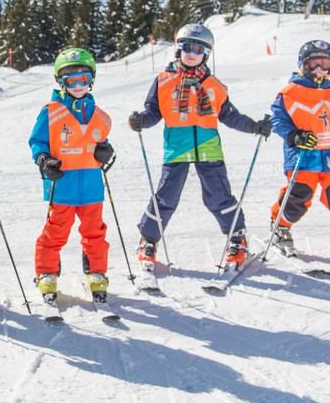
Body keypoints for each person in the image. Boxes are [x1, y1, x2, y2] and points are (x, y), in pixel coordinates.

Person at [129, 23, 272, 272]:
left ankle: (237, 239)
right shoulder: (164, 80)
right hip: (176, 148)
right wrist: (141, 120)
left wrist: (254, 127)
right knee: (166, 197)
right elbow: (153, 111)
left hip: (209, 148)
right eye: (187, 47)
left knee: (218, 196)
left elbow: (230, 115)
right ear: (178, 49)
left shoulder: (214, 85)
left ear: (206, 54)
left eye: (198, 49)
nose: (191, 53)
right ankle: (148, 241)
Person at [29, 48, 114, 301]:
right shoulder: (51, 111)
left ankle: (96, 272)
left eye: (83, 79)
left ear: (92, 80)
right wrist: (44, 160)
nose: (78, 86)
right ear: (60, 82)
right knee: (56, 232)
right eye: (70, 81)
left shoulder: (100, 115)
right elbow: (37, 142)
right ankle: (47, 273)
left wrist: (106, 152)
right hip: (62, 184)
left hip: (91, 185)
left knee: (95, 232)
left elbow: (100, 142)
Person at [267, 40, 330, 256]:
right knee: (300, 195)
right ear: (303, 65)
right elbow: (277, 120)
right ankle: (280, 227)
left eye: (325, 63)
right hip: (304, 154)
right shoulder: (290, 92)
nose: (319, 69)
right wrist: (294, 136)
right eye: (314, 63)